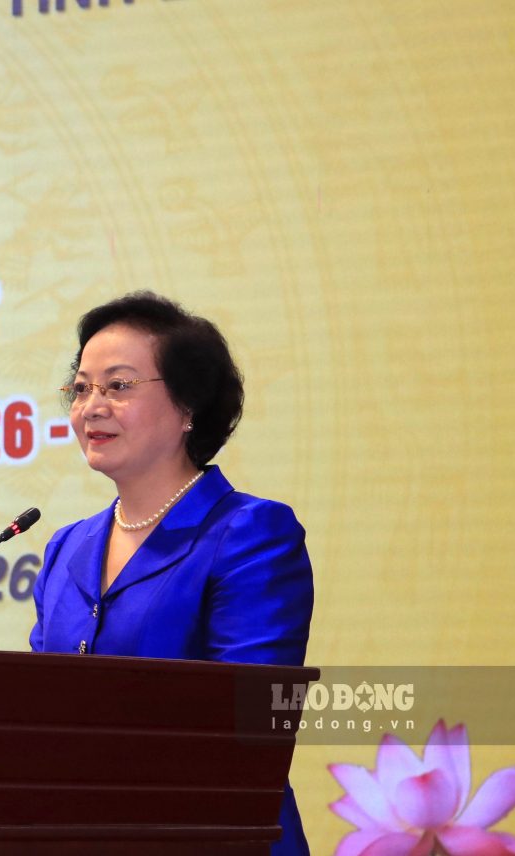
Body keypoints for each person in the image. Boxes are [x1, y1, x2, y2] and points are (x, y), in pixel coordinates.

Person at [29, 291, 314, 856]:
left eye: (119, 385)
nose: (92, 405)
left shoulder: (250, 533)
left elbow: (248, 727)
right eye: (81, 387)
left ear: (188, 407)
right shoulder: (67, 548)